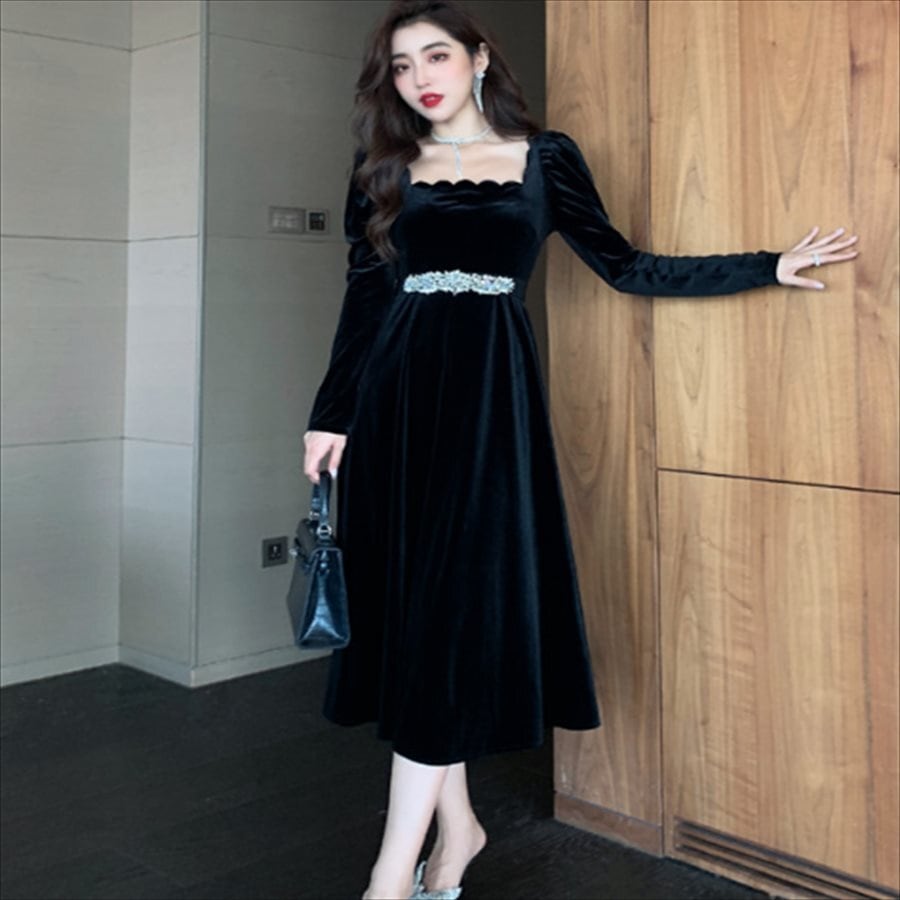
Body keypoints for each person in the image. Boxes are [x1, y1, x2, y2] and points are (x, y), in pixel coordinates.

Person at [301, 2, 859, 898]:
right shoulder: (383, 167)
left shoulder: (545, 158)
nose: (419, 78)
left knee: (449, 616)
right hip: (395, 406)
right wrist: (330, 418)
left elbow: (626, 265)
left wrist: (766, 265)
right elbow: (363, 297)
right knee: (422, 622)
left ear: (480, 59)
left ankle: (389, 878)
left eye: (435, 56)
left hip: (491, 411)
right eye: (401, 66)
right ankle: (458, 831)